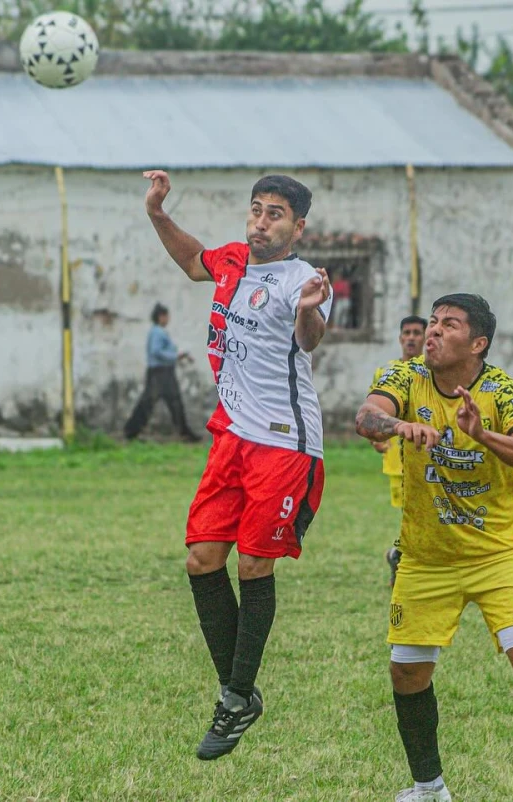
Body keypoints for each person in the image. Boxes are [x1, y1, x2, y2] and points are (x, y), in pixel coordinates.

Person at [143, 169, 333, 761]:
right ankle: (240, 692)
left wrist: (308, 310)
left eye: (275, 213)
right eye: (256, 209)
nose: (261, 220)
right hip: (231, 436)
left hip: (284, 444)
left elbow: (310, 338)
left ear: (297, 226)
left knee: (254, 565)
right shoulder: (230, 261)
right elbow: (194, 259)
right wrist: (157, 214)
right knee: (202, 560)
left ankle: (234, 696)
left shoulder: (301, 279)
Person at [355, 294, 513, 802]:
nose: (432, 332)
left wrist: (483, 433)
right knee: (407, 671)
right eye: (431, 322)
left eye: (447, 325)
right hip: (427, 556)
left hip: (500, 552)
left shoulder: (502, 390)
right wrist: (395, 425)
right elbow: (366, 417)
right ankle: (428, 788)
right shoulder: (405, 377)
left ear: (477, 343)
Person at [371, 315, 427, 587]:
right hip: (398, 462)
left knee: (426, 514)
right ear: (400, 338)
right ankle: (404, 560)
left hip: (429, 459)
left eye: (417, 332)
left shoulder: (433, 372)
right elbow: (373, 413)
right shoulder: (387, 373)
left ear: (427, 337)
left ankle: (403, 558)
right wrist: (376, 439)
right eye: (407, 332)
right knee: (414, 515)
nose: (412, 337)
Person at [123, 303, 201, 442]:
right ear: (161, 317)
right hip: (160, 373)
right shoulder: (158, 332)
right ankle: (131, 430)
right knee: (159, 402)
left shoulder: (157, 331)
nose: (168, 319)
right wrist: (175, 356)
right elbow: (156, 351)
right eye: (166, 316)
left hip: (162, 372)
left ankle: (132, 430)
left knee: (167, 402)